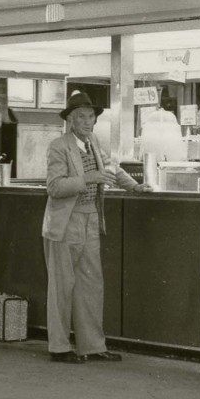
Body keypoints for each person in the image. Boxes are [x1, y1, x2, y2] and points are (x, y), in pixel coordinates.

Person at [43, 91, 141, 362]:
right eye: (82, 117)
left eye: (91, 117)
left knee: (91, 285)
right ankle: (59, 347)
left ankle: (93, 346)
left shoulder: (94, 142)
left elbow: (112, 168)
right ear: (71, 121)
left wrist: (134, 186)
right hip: (66, 222)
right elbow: (54, 187)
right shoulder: (58, 146)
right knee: (62, 287)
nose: (88, 122)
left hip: (90, 219)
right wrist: (88, 178)